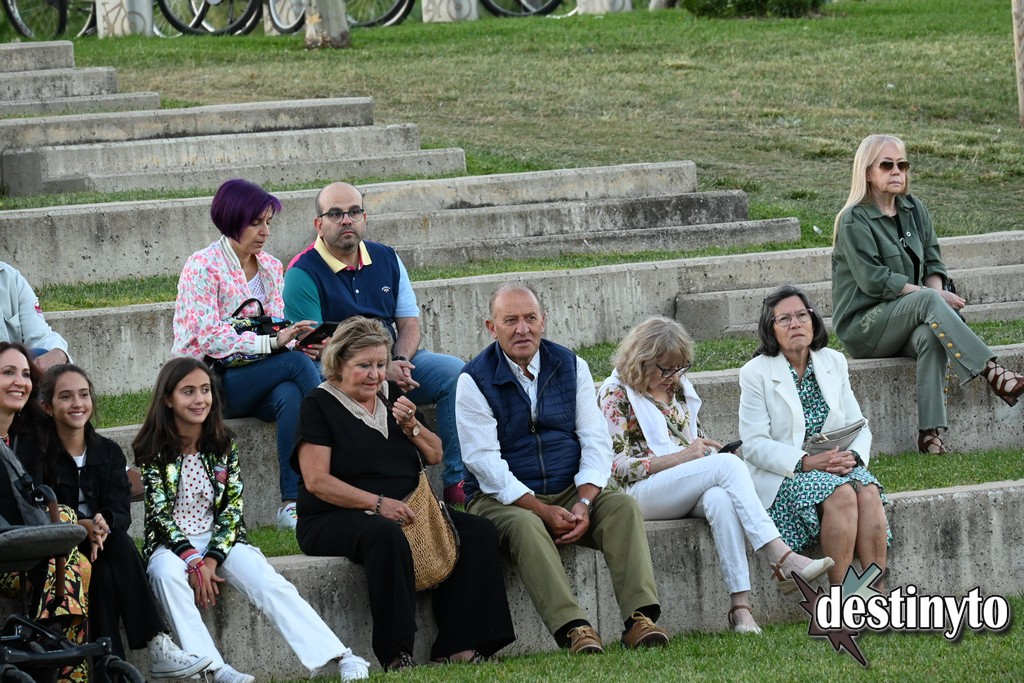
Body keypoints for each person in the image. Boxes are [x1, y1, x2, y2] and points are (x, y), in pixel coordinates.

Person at [456, 283, 669, 654]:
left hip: (569, 488)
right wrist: (541, 510)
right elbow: (485, 464)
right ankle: (575, 629)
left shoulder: (572, 365)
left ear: (544, 321)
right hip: (499, 499)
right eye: (510, 320)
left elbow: (595, 441)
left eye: (530, 318)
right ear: (492, 328)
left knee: (622, 507)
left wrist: (584, 502)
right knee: (526, 526)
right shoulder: (472, 380)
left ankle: (639, 620)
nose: (522, 329)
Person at [292, 316, 514, 671]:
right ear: (338, 363)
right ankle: (397, 654)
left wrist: (412, 427)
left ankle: (457, 644)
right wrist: (377, 504)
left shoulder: (390, 394)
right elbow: (317, 481)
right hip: (333, 517)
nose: (374, 374)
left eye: (381, 365)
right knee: (385, 535)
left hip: (409, 508)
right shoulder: (318, 405)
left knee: (479, 532)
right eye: (364, 366)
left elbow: (436, 454)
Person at [133, 357, 371, 683]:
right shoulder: (153, 449)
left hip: (220, 538)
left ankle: (340, 655)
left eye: (205, 390)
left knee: (266, 580)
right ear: (168, 399)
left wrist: (211, 559)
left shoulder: (223, 444)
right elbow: (160, 515)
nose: (200, 399)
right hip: (171, 545)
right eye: (188, 392)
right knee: (165, 575)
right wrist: (192, 560)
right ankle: (214, 670)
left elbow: (232, 510)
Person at [598, 316, 834, 633]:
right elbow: (617, 468)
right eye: (665, 369)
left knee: (720, 498)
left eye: (679, 368)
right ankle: (781, 557)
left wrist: (715, 450)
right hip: (638, 494)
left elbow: (695, 440)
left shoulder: (678, 388)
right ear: (642, 362)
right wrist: (684, 457)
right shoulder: (615, 394)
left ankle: (741, 609)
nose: (673, 376)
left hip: (679, 485)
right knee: (726, 469)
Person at [831, 134, 1024, 454]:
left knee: (930, 335)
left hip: (907, 317)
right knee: (928, 300)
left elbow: (933, 263)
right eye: (887, 165)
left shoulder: (915, 209)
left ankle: (930, 435)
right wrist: (933, 297)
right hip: (865, 325)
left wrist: (937, 299)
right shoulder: (854, 219)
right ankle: (993, 372)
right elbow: (874, 281)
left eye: (902, 164)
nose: (897, 171)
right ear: (867, 172)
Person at [21, 364, 212, 679]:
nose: (77, 403)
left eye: (83, 395)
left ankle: (137, 655)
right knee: (111, 555)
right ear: (48, 407)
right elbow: (38, 509)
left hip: (102, 544)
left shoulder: (107, 451)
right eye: (66, 397)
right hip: (58, 551)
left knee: (107, 563)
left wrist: (103, 522)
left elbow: (121, 510)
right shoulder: (38, 453)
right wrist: (82, 526)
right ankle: (149, 645)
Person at [283, 182, 468, 505]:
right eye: (335, 214)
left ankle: (458, 480)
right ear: (319, 224)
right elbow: (318, 345)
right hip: (339, 369)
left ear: (364, 217)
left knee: (456, 374)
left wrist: (398, 361)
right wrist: (379, 369)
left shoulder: (387, 258)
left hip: (392, 357)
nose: (346, 220)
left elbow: (408, 323)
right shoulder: (302, 272)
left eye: (354, 212)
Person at [172, 178, 321, 529]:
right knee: (296, 366)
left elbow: (275, 326)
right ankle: (339, 449)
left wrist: (298, 340)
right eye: (255, 223)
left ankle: (292, 503)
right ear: (231, 220)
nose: (265, 231)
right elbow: (210, 338)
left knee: (289, 392)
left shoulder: (270, 267)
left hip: (257, 376)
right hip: (208, 382)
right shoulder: (202, 266)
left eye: (268, 222)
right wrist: (275, 344)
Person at [738, 286, 889, 588]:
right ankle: (841, 596)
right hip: (786, 475)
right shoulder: (755, 372)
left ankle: (874, 592)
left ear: (813, 320)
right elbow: (754, 445)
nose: (795, 324)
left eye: (801, 315)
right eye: (784, 319)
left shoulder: (833, 361)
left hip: (835, 465)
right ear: (771, 329)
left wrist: (853, 457)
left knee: (869, 491)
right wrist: (806, 462)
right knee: (842, 494)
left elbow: (859, 425)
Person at [0, 342, 89, 683]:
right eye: (8, 373)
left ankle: (52, 638)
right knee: (77, 565)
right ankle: (60, 655)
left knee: (64, 521)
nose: (20, 381)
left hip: (35, 556)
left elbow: (41, 506)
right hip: (5, 555)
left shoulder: (31, 435)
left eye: (25, 374)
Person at [0, 261, 71, 371]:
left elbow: (39, 335)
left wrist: (59, 352)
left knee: (44, 354)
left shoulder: (10, 277)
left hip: (11, 370)